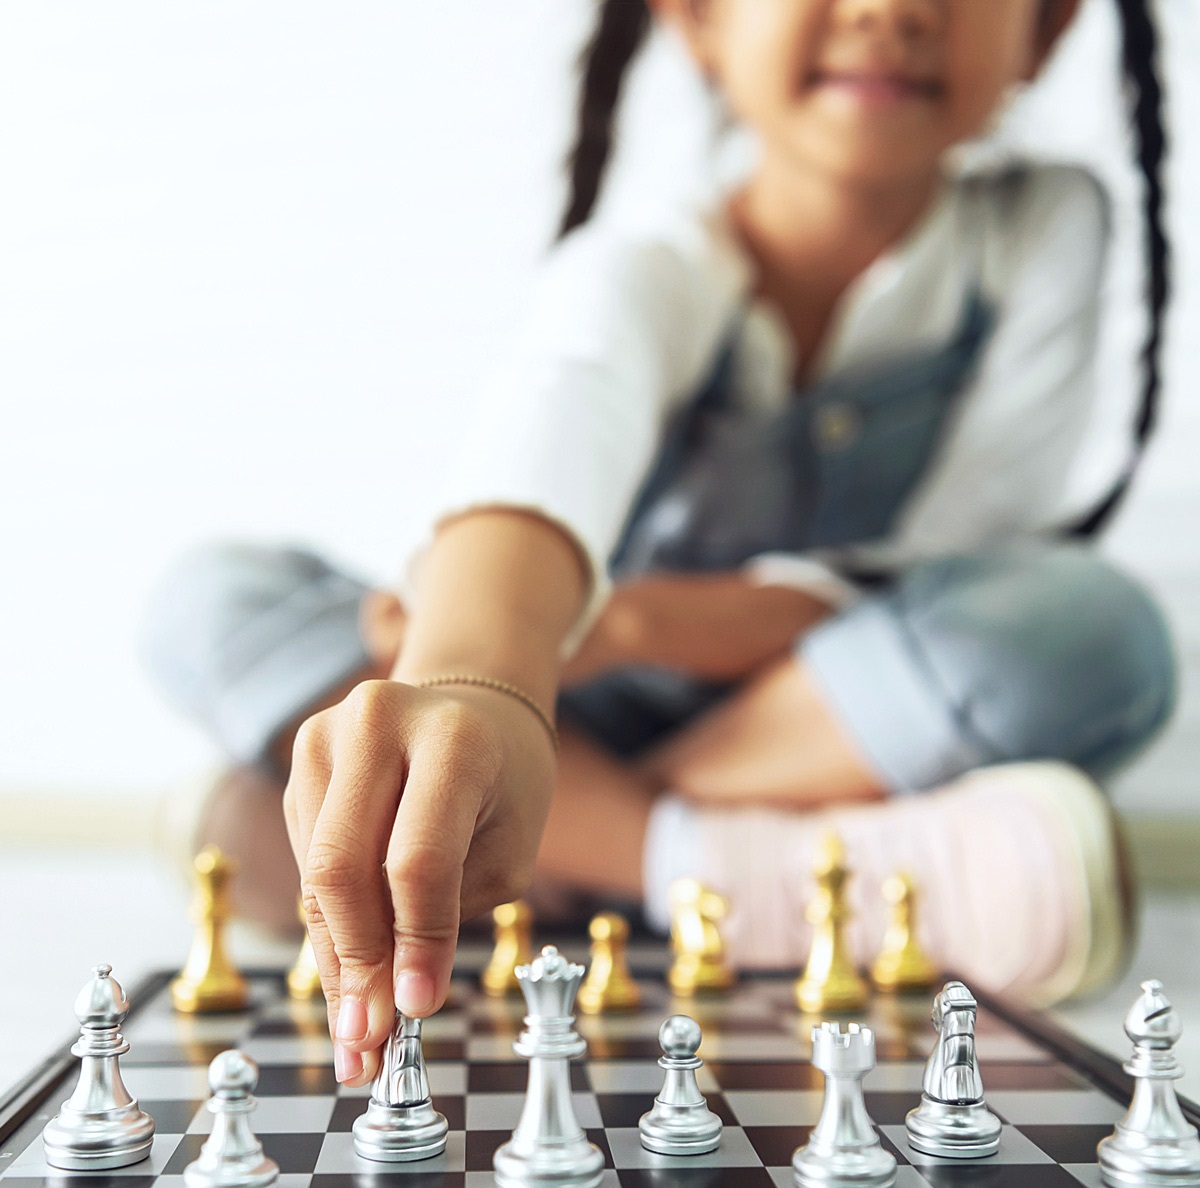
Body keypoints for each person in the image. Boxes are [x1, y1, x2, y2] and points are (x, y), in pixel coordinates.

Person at [142, 0, 1176, 1090]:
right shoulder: (652, 257)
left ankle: (553, 848)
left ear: (1051, 26)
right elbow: (546, 450)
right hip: (580, 707)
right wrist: (483, 685)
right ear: (697, 18)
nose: (889, 10)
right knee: (209, 601)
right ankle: (751, 873)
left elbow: (961, 549)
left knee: (1095, 630)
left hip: (827, 715)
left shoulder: (1047, 224)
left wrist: (621, 624)